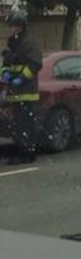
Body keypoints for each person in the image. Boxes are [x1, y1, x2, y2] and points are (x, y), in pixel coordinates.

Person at [2, 14, 43, 165]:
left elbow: (35, 64)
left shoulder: (29, 43)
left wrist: (21, 78)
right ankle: (20, 152)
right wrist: (5, 72)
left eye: (15, 26)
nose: (13, 29)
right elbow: (6, 61)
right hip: (14, 91)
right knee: (17, 126)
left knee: (25, 125)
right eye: (12, 26)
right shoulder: (13, 43)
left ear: (21, 27)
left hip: (26, 92)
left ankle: (27, 154)